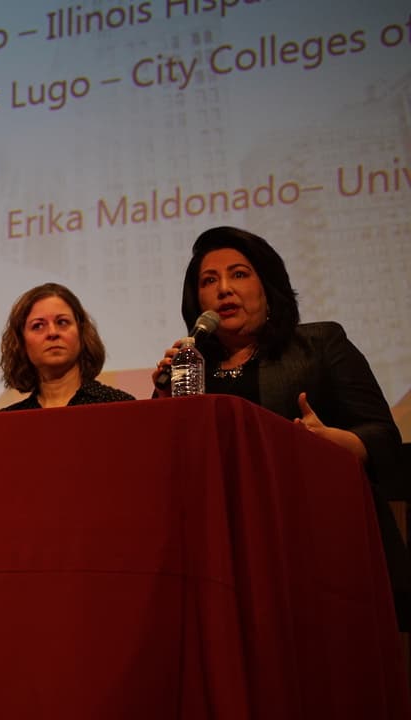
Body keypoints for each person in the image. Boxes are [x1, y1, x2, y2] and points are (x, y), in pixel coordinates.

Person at [151, 225, 410, 626]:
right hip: (220, 558)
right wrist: (163, 400)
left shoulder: (320, 344)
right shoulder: (189, 369)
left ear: (268, 288)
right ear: (196, 300)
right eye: (209, 280)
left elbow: (386, 439)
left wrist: (336, 445)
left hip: (314, 549)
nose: (223, 289)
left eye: (239, 274)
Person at [0, 283, 135, 410]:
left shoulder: (120, 406)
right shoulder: (5, 423)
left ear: (81, 332)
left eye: (62, 322)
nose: (52, 333)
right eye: (38, 325)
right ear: (21, 341)